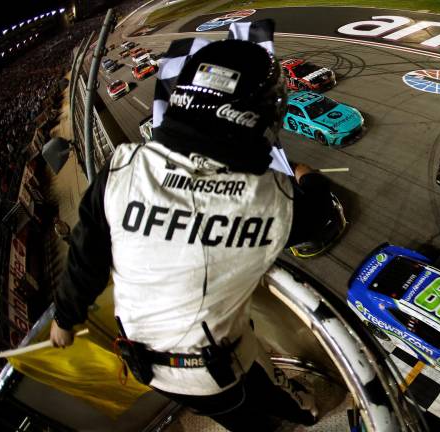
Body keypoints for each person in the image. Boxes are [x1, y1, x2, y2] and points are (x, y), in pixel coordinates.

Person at [50, 38, 333, 431]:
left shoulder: (121, 169)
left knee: (238, 420)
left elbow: (86, 258)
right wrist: (307, 174)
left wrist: (65, 318)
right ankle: (303, 411)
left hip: (148, 366)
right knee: (266, 389)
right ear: (258, 113)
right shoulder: (272, 197)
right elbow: (321, 215)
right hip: (219, 364)